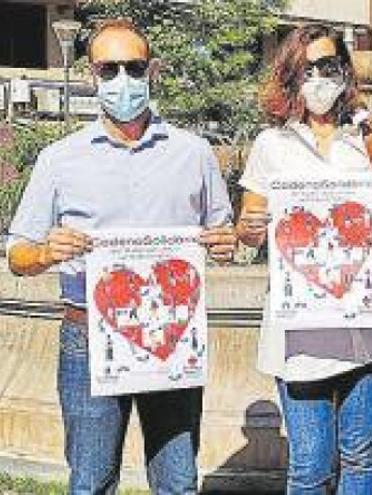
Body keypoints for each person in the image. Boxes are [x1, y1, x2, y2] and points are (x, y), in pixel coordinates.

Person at [5, 19, 236, 494]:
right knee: (90, 482)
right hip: (88, 332)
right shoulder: (58, 159)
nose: (122, 81)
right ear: (93, 75)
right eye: (109, 69)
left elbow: (223, 238)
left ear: (151, 71)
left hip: (170, 333)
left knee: (177, 481)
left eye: (133, 67)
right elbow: (17, 255)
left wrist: (225, 245)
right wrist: (47, 251)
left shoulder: (193, 154)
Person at [235, 24, 372, 495]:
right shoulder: (271, 145)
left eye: (328, 66)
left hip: (365, 326)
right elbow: (249, 226)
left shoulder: (371, 138)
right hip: (300, 335)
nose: (318, 78)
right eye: (307, 68)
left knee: (360, 455)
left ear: (344, 70)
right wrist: (251, 228)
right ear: (290, 75)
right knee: (310, 466)